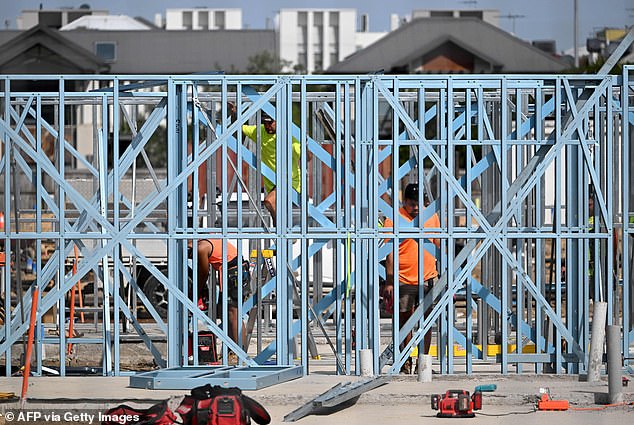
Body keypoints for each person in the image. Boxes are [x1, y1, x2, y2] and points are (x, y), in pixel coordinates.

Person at [383, 183, 440, 374]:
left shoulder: (431, 216)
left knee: (427, 321)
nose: (415, 208)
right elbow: (389, 252)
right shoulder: (394, 218)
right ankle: (406, 359)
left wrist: (442, 275)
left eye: (418, 204)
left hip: (428, 277)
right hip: (403, 278)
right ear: (404, 202)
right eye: (411, 204)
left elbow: (439, 245)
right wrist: (390, 281)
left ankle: (423, 364)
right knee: (405, 321)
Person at [230, 104, 302, 226]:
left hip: (290, 181)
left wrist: (306, 147)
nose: (268, 126)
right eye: (265, 123)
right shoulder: (260, 131)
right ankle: (283, 231)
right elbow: (237, 127)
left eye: (271, 123)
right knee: (274, 206)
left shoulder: (289, 136)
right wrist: (233, 112)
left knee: (269, 202)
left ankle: (282, 229)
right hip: (272, 183)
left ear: (278, 121)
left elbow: (307, 157)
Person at [196, 238, 250, 350]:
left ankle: (239, 353)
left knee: (233, 314)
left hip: (234, 273)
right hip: (230, 272)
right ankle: (232, 349)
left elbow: (204, 273)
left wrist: (196, 291)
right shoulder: (204, 242)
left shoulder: (201, 248)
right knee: (222, 311)